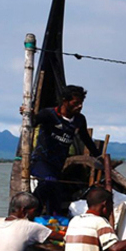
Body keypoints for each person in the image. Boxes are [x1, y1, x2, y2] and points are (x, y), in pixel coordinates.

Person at [31, 85, 99, 216]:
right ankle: (32, 211)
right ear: (65, 101)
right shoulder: (49, 114)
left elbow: (86, 138)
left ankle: (54, 220)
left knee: (56, 193)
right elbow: (33, 122)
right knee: (48, 181)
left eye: (81, 103)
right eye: (76, 103)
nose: (79, 106)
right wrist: (28, 113)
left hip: (58, 164)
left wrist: (98, 156)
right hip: (41, 161)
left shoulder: (79, 119)